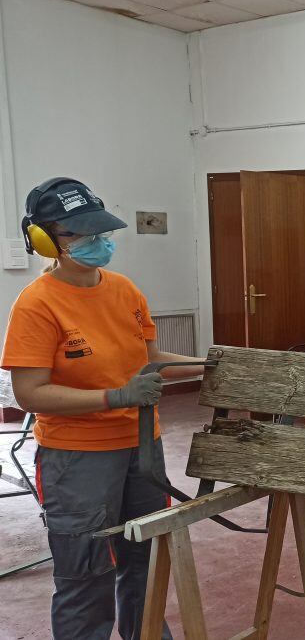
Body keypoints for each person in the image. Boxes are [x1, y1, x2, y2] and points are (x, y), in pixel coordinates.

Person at [3, 178, 207, 640]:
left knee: (146, 565)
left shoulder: (125, 291)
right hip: (78, 461)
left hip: (142, 449)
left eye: (98, 230)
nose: (96, 241)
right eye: (79, 233)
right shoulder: (37, 305)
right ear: (43, 240)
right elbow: (30, 393)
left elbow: (150, 362)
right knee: (85, 575)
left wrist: (211, 365)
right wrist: (115, 398)